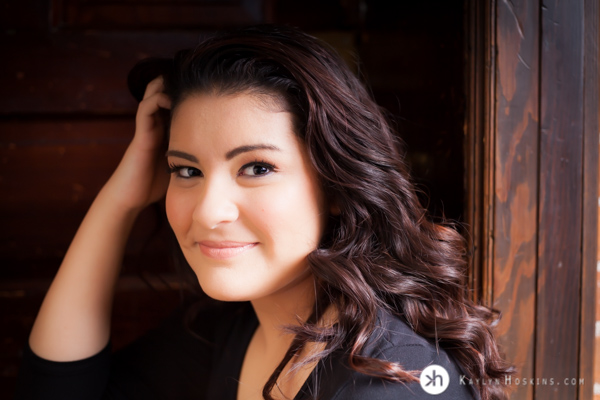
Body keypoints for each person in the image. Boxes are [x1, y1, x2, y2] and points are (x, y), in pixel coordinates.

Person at [15, 24, 513, 400]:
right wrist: (119, 198)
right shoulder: (234, 328)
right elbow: (59, 390)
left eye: (256, 167)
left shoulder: (391, 382)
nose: (209, 211)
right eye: (187, 170)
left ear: (337, 184)